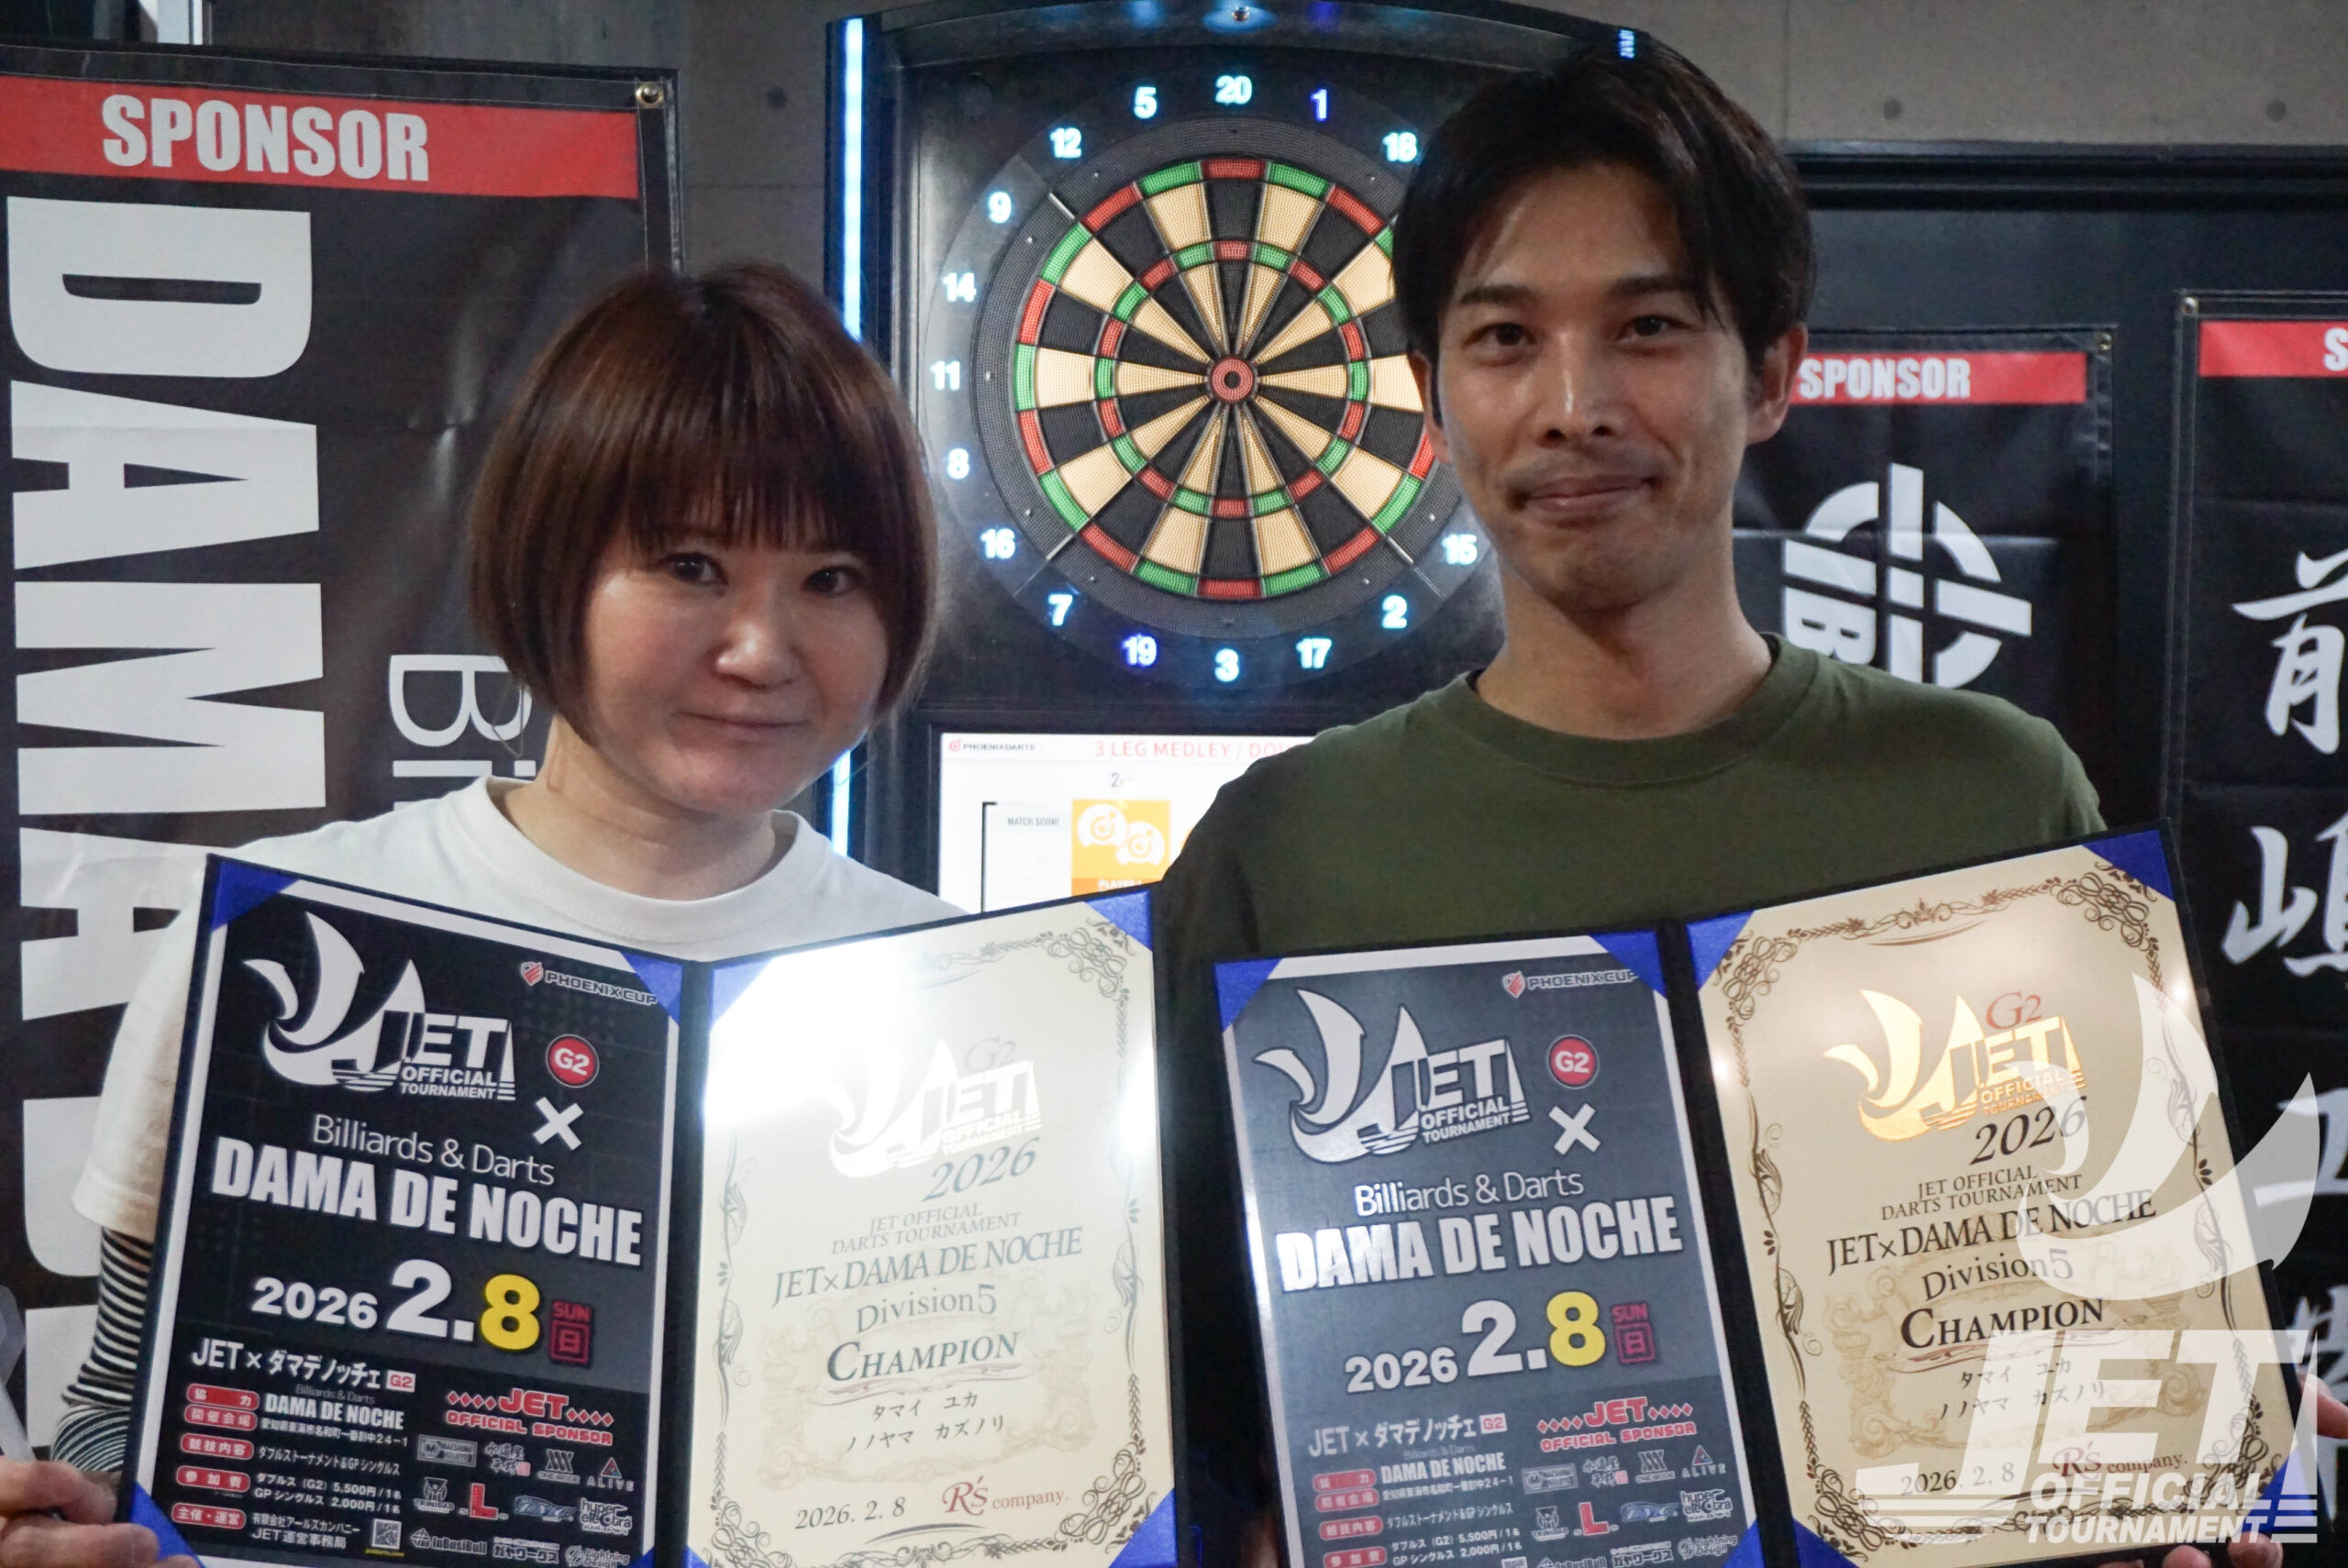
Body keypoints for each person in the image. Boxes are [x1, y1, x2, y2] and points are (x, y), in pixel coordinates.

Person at [1150, 43, 2347, 1568]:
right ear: (1432, 396)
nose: (1574, 405)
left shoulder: (1990, 796)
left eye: (1648, 327)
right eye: (1505, 337)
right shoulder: (1282, 849)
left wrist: (2184, 1457)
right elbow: (1192, 1413)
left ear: (1773, 371)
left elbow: (2125, 1280)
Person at [0, 261, 954, 1568]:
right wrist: (74, 1523)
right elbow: (124, 1397)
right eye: (690, 565)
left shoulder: (960, 986)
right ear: (551, 566)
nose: (760, 650)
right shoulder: (285, 940)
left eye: (834, 578)